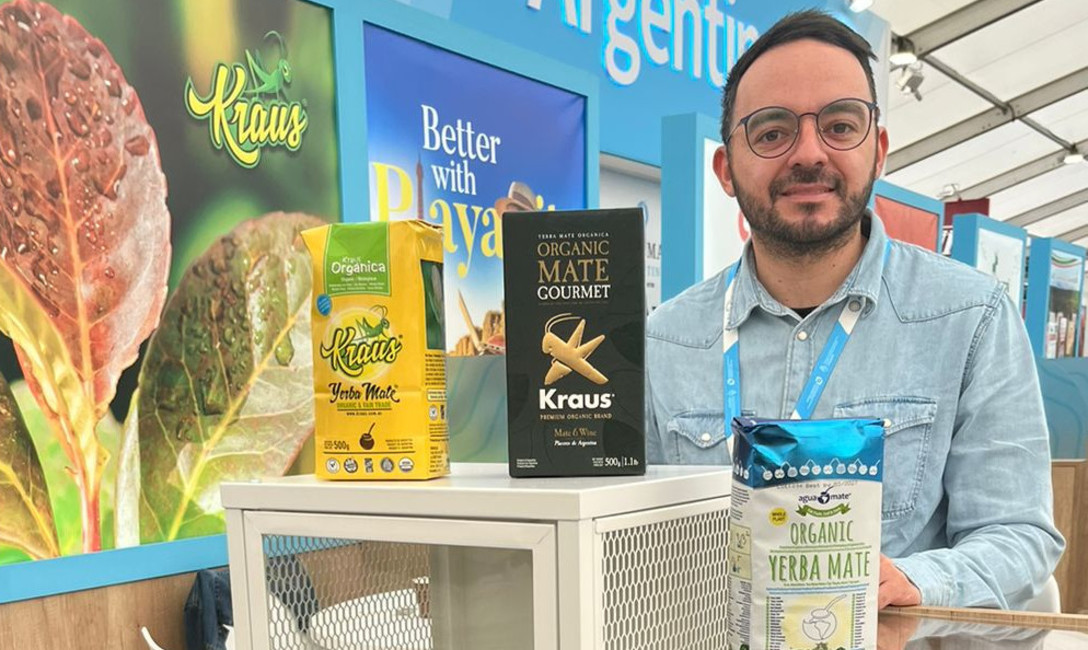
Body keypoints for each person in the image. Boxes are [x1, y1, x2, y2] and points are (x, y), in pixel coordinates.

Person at [645, 10, 1064, 610]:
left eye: (840, 126)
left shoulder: (971, 317)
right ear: (726, 171)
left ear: (879, 151)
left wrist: (916, 583)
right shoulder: (666, 340)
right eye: (770, 132)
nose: (808, 153)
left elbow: (1019, 533)